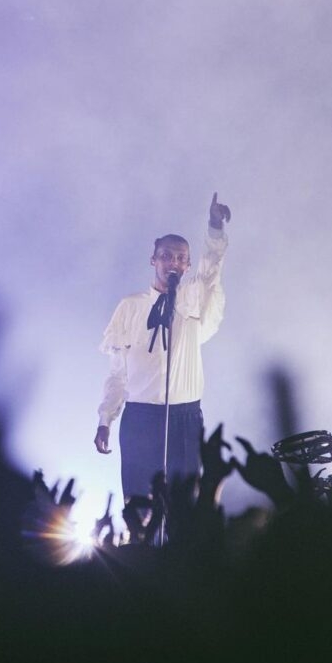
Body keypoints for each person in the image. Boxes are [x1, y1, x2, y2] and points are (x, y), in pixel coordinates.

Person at [94, 192, 231, 500]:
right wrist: (105, 419)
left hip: (185, 415)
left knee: (184, 502)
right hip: (142, 416)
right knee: (141, 502)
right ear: (153, 260)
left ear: (187, 265)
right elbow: (118, 373)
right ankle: (138, 546)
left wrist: (214, 227)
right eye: (167, 255)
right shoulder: (131, 307)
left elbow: (212, 270)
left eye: (181, 258)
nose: (174, 262)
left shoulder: (193, 298)